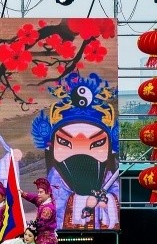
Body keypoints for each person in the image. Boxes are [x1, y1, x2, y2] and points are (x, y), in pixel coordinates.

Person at [30, 72, 119, 229]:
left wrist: (106, 202)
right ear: (51, 147)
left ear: (109, 150)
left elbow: (115, 197)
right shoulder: (54, 181)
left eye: (97, 143)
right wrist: (81, 200)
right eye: (65, 142)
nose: (81, 152)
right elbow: (52, 210)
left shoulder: (108, 178)